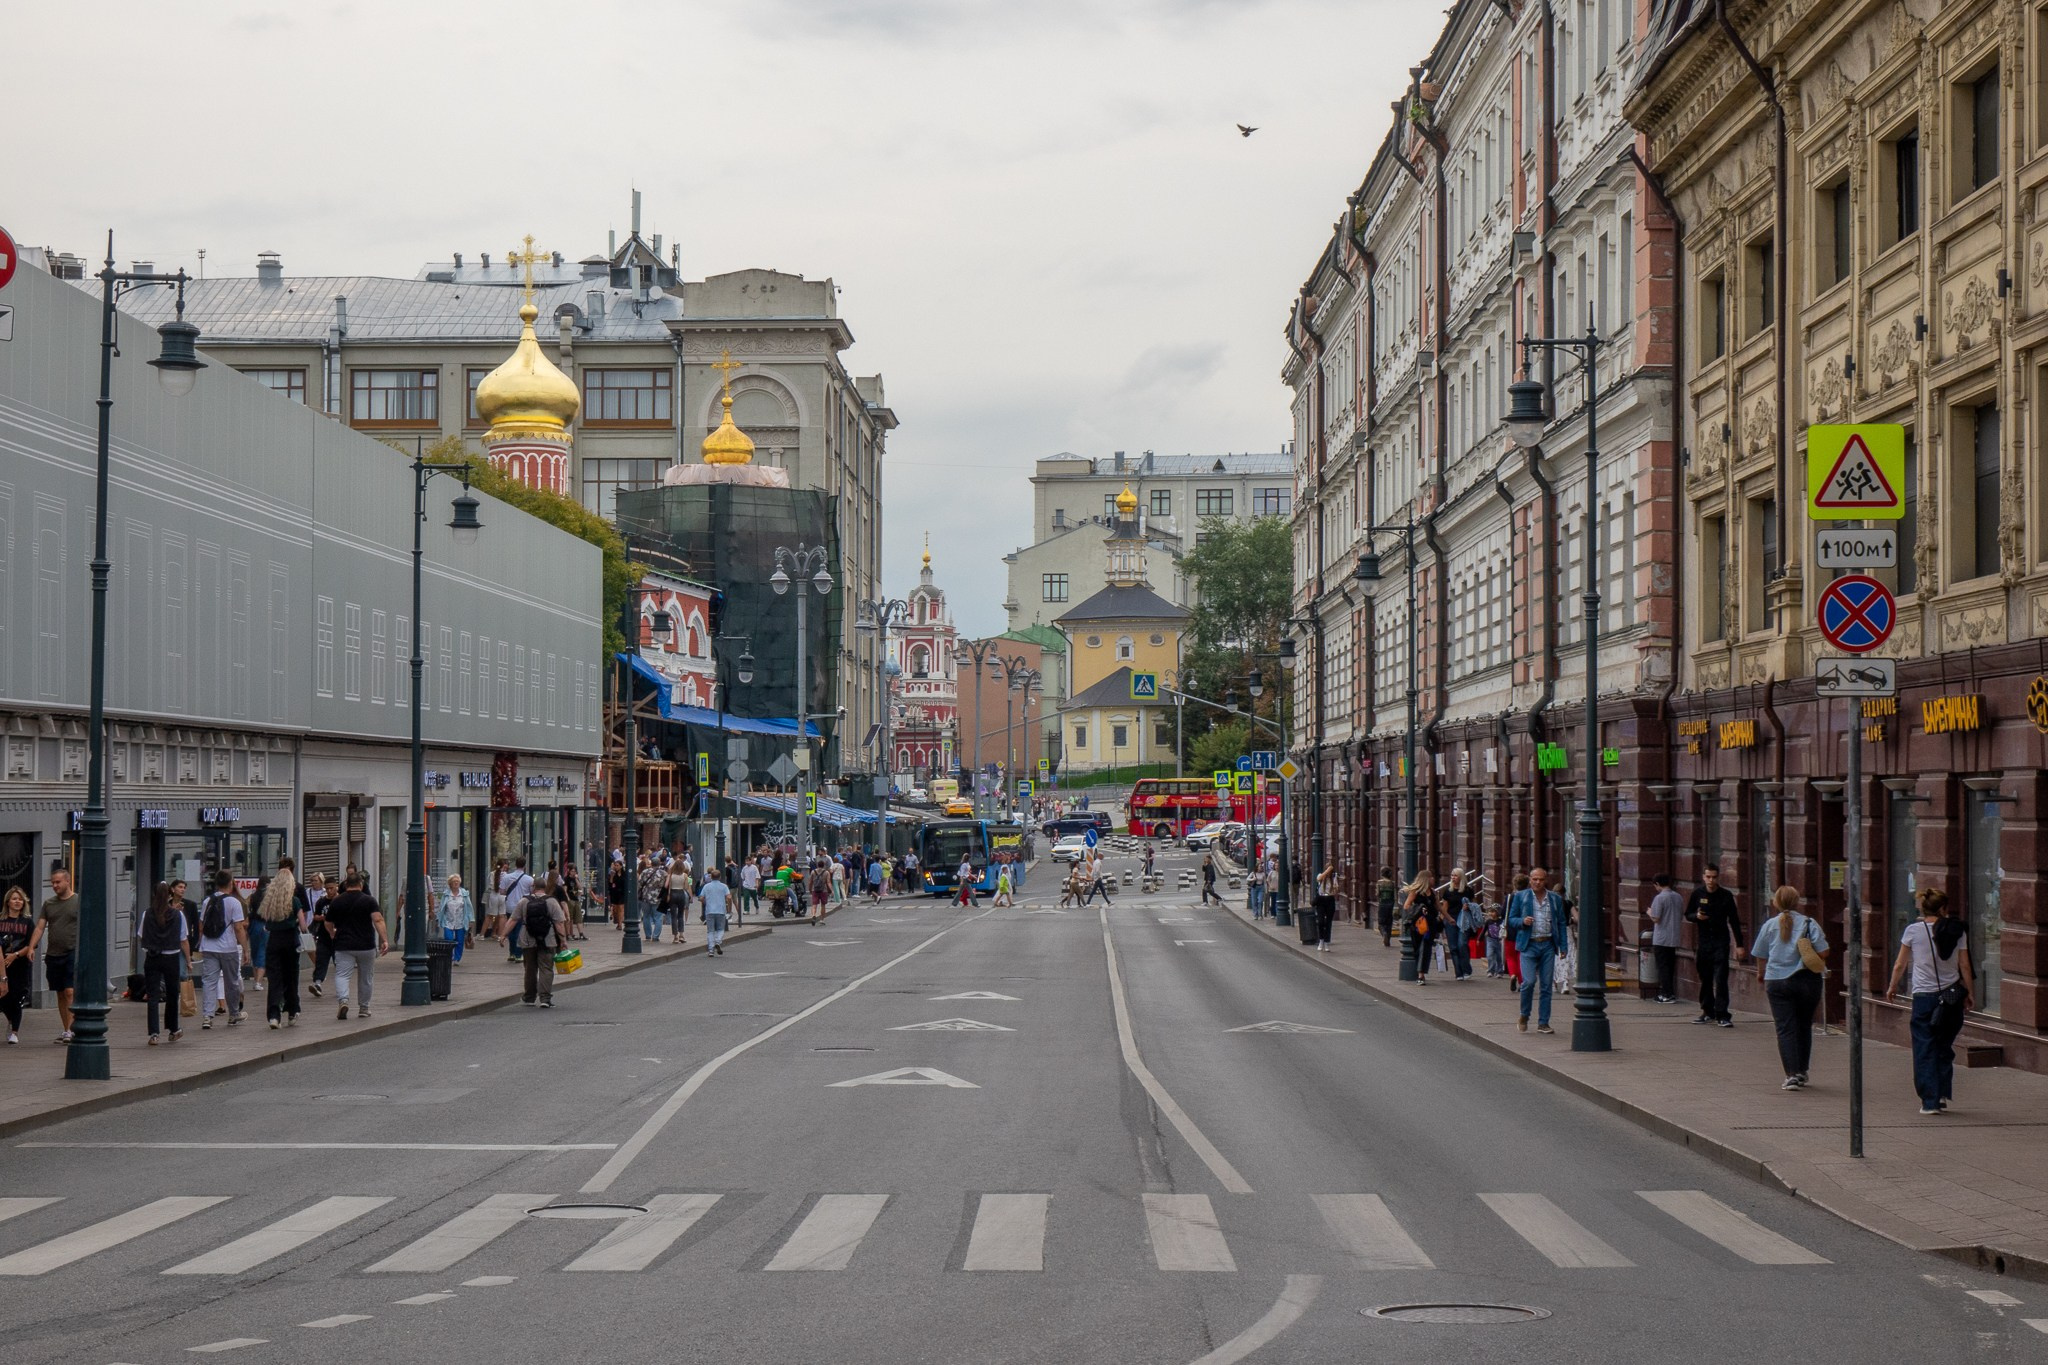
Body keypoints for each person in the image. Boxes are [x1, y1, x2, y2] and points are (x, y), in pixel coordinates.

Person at [1885, 887, 1974, 1115]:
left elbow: (1900, 964)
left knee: (1925, 1046)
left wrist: (1893, 986)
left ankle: (1930, 1101)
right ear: (1944, 908)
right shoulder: (1957, 931)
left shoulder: (1913, 931)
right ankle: (1942, 1093)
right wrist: (1970, 992)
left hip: (1924, 997)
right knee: (1944, 1045)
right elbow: (1964, 965)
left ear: (1923, 908)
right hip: (1951, 996)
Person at [1752, 885, 1828, 1090]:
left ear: (1776, 902)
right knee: (1804, 1025)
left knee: (1785, 1028)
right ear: (1797, 902)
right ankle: (1802, 1071)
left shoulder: (1769, 925)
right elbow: (1824, 952)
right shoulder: (1810, 923)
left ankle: (1791, 1074)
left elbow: (1760, 954)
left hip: (1777, 981)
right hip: (1807, 981)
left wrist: (1761, 974)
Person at [26, 865, 81, 1043]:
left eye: (58, 882)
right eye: (53, 883)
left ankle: (73, 1030)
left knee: (69, 991)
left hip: (72, 951)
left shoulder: (78, 901)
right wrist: (31, 947)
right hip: (53, 954)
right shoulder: (49, 904)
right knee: (59, 993)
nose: (55, 885)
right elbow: (40, 926)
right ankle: (66, 1029)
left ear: (67, 881)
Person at [1687, 864, 1747, 1027]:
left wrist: (1739, 945)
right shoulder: (1697, 894)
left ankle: (1722, 1014)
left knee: (1721, 978)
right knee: (1705, 977)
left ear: (1718, 877)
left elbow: (1734, 920)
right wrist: (1697, 916)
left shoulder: (1726, 896)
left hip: (1721, 941)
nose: (1711, 880)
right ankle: (1707, 1011)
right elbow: (1688, 914)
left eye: (1714, 877)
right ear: (1703, 877)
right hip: (1704, 941)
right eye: (1708, 877)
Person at [1508, 866, 1565, 1033]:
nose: (1538, 882)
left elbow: (1561, 923)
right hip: (1529, 945)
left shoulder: (1554, 899)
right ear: (1530, 880)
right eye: (1535, 879)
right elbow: (1511, 919)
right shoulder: (1521, 897)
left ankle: (1543, 1023)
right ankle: (1524, 1014)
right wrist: (1522, 921)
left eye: (1541, 879)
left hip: (1547, 944)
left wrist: (1563, 946)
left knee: (1546, 986)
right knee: (1529, 982)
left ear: (1545, 880)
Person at [325, 871, 388, 1020]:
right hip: (366, 945)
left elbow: (328, 922)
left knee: (342, 975)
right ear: (361, 884)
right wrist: (384, 939)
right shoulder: (369, 901)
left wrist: (332, 933)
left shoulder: (337, 901)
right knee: (366, 977)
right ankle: (364, 1008)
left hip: (343, 945)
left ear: (346, 885)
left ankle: (344, 1001)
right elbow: (377, 920)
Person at [193, 871, 249, 1028]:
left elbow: (201, 925)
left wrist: (201, 942)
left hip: (209, 947)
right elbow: (238, 928)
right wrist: (245, 949)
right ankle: (233, 1014)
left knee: (209, 982)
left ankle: (207, 1017)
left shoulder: (207, 901)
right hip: (228, 948)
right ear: (231, 883)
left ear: (217, 883)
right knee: (231, 982)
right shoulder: (234, 902)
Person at [257, 858, 306, 1029]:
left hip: (274, 941)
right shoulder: (294, 901)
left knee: (275, 979)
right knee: (291, 977)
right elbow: (303, 923)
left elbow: (265, 919)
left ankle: (273, 1015)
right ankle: (292, 1011)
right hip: (291, 940)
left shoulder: (269, 901)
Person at [520, 875, 570, 1007]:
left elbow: (512, 920)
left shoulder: (525, 901)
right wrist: (563, 940)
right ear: (545, 887)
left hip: (528, 939)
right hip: (548, 939)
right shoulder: (552, 901)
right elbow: (559, 923)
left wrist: (503, 935)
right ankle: (545, 999)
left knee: (530, 969)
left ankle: (529, 997)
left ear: (533, 887)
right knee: (546, 968)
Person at [0, 885, 33, 1046]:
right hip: (3, 965)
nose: (17, 901)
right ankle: (11, 1020)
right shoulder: (1, 921)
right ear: (8, 902)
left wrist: (15, 955)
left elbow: (31, 945)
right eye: (14, 899)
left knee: (17, 998)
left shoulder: (27, 922)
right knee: (4, 998)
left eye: (20, 899)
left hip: (20, 965)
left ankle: (14, 1032)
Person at [499, 858, 535, 961]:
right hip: (523, 906)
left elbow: (501, 891)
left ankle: (512, 953)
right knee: (520, 929)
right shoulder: (529, 879)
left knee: (511, 928)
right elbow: (532, 892)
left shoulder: (507, 877)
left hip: (510, 906)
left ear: (515, 864)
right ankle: (519, 954)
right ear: (524, 865)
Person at [306, 873, 336, 998]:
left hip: (338, 938)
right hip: (323, 936)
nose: (329, 891)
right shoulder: (321, 902)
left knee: (339, 963)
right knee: (321, 961)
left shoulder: (341, 900)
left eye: (331, 888)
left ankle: (341, 987)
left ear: (336, 887)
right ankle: (317, 983)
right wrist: (323, 917)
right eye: (327, 888)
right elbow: (316, 916)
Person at [1446, 870, 1475, 980]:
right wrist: (1445, 919)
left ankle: (1466, 970)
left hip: (1464, 921)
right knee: (1453, 947)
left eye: (1455, 875)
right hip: (1451, 920)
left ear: (1461, 877)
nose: (1453, 877)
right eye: (1452, 875)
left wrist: (1469, 907)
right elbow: (1444, 907)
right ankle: (1458, 973)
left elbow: (1475, 905)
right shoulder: (1448, 891)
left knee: (1462, 944)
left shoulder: (1468, 891)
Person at [437, 873, 472, 964]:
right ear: (450, 884)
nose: (456, 883)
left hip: (461, 921)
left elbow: (469, 907)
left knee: (459, 941)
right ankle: (450, 956)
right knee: (448, 939)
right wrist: (439, 918)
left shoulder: (464, 894)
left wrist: (471, 919)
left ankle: (457, 958)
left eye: (457, 881)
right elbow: (441, 907)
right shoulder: (446, 894)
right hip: (448, 920)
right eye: (454, 882)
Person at [700, 869, 731, 957]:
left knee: (710, 931)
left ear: (711, 877)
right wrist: (728, 908)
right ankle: (718, 941)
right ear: (720, 877)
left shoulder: (706, 886)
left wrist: (706, 903)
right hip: (720, 910)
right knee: (720, 929)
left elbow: (701, 898)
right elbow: (729, 897)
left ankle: (711, 950)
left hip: (709, 911)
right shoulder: (724, 886)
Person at [1314, 864, 1337, 952]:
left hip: (1330, 900)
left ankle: (1327, 942)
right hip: (1321, 899)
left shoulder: (1334, 878)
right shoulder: (1320, 875)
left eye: (1331, 871)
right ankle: (1321, 940)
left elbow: (1335, 890)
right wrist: (1327, 870)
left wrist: (1335, 888)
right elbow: (1319, 879)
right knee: (1321, 921)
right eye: (1328, 870)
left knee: (1328, 922)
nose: (1329, 873)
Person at [1374, 867, 1398, 947]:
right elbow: (1395, 896)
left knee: (1381, 922)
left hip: (1382, 904)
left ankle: (1384, 934)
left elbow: (1377, 894)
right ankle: (1388, 939)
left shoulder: (1379, 883)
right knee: (1389, 922)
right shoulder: (1392, 883)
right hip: (1390, 904)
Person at [606, 856, 627, 931]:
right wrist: (611, 876)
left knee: (621, 908)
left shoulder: (624, 874)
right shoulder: (612, 874)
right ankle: (618, 922)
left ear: (621, 866)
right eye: (615, 865)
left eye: (617, 865)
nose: (616, 867)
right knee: (615, 909)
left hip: (622, 893)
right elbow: (610, 884)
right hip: (614, 893)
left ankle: (620, 924)